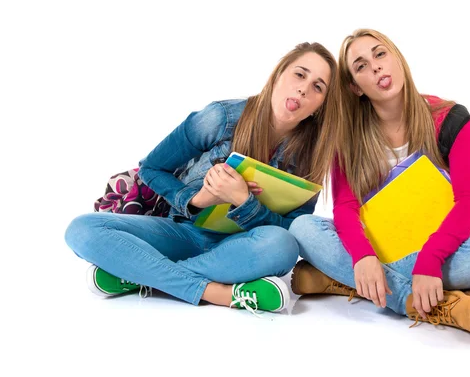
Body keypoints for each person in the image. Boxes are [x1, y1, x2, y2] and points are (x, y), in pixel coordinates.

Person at [65, 42, 340, 315]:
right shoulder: (221, 117)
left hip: (239, 248)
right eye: (299, 74)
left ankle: (142, 275)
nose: (303, 88)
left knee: (283, 246)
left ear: (319, 106)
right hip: (182, 233)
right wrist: (199, 199)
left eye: (318, 87)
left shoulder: (312, 157)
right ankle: (220, 293)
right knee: (82, 229)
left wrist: (244, 202)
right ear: (278, 74)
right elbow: (151, 168)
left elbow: (292, 228)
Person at [288, 29, 470, 338]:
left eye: (379, 54)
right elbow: (345, 207)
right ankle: (415, 301)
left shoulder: (452, 120)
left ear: (397, 58)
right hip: (373, 246)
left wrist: (430, 260)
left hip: (428, 246)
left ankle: (334, 279)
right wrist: (362, 256)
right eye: (360, 66)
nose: (374, 66)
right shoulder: (347, 137)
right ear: (355, 87)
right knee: (302, 228)